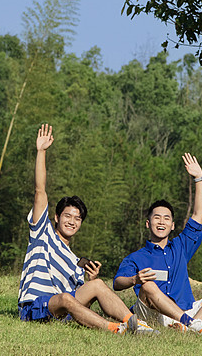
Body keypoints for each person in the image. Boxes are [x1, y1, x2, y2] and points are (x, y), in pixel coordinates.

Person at [18, 124, 158, 335]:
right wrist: (41, 152)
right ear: (56, 217)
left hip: (60, 314)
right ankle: (113, 329)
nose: (72, 221)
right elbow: (40, 191)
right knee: (65, 298)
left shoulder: (75, 262)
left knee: (98, 285)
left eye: (77, 218)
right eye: (67, 216)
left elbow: (79, 302)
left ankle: (134, 323)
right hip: (35, 308)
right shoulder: (42, 234)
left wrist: (91, 281)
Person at [113, 153, 202, 334]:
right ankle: (191, 324)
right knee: (148, 286)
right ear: (147, 223)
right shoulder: (136, 257)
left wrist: (199, 178)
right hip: (153, 313)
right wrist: (135, 279)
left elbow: (199, 215)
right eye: (157, 218)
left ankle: (188, 324)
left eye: (166, 218)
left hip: (184, 309)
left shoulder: (181, 246)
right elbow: (117, 283)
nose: (161, 222)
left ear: (173, 225)